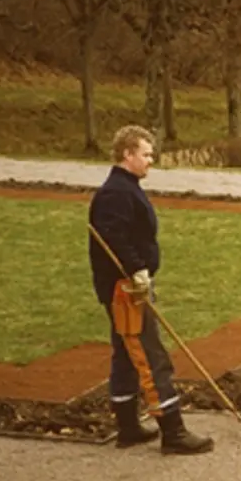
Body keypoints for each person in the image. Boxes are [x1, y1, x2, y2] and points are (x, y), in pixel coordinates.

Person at [88, 124, 214, 454]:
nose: (151, 160)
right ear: (127, 154)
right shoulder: (115, 193)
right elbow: (114, 239)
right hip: (126, 289)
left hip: (128, 285)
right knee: (150, 355)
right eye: (145, 154)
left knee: (127, 356)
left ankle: (128, 427)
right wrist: (136, 271)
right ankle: (173, 431)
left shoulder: (124, 187)